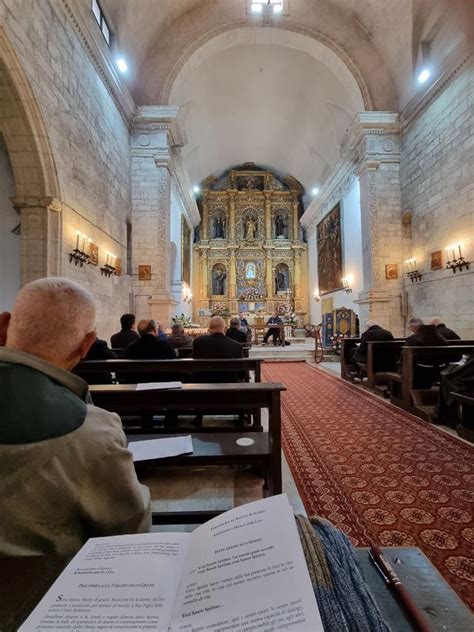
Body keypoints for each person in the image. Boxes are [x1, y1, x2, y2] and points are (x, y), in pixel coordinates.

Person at [0, 277, 150, 555]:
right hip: (45, 590)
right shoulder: (96, 431)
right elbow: (129, 527)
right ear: (87, 345)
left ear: (2, 326)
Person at [193, 315, 244, 382]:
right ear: (225, 329)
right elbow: (242, 372)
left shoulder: (198, 342)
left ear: (209, 329)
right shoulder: (236, 345)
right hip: (229, 383)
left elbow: (194, 362)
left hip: (202, 382)